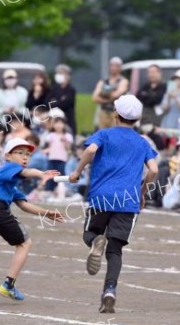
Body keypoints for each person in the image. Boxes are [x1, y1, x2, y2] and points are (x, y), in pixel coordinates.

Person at [68, 95, 158, 313]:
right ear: (136, 119)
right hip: (128, 201)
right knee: (115, 250)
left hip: (101, 196)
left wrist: (77, 172)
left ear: (115, 115)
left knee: (90, 233)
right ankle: (109, 291)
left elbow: (90, 150)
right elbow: (154, 170)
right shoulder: (142, 142)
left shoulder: (104, 134)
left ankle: (96, 241)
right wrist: (142, 191)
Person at [0, 138, 63, 306]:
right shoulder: (7, 168)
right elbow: (26, 172)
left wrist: (46, 213)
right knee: (25, 243)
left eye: (28, 154)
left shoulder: (8, 183)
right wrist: (41, 173)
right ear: (8, 156)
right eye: (20, 153)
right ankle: (8, 285)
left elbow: (24, 205)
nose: (25, 157)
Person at [92, 57, 129, 130]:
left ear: (120, 68)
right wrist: (108, 99)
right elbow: (94, 98)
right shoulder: (103, 81)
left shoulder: (123, 81)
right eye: (112, 65)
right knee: (103, 135)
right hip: (104, 112)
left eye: (116, 66)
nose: (114, 68)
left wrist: (103, 94)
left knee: (115, 135)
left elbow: (116, 95)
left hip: (116, 113)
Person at [43, 115, 73, 193]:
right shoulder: (51, 135)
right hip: (52, 158)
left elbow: (68, 148)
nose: (58, 125)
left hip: (62, 159)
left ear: (64, 125)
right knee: (50, 175)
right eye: (57, 123)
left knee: (61, 175)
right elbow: (50, 147)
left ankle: (61, 191)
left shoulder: (68, 136)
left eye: (60, 123)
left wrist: (65, 141)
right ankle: (48, 190)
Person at [49, 64, 77, 132]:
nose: (58, 75)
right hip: (54, 119)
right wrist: (60, 100)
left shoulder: (70, 90)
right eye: (58, 73)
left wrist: (55, 102)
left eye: (61, 73)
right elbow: (48, 102)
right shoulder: (54, 88)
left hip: (68, 119)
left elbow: (66, 104)